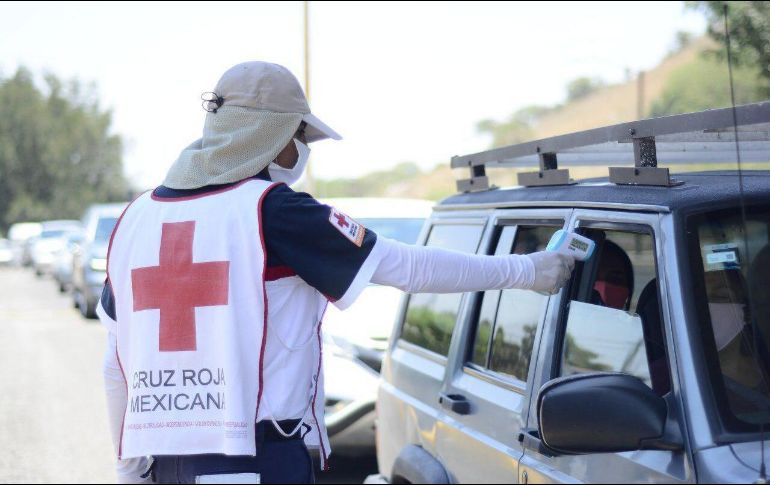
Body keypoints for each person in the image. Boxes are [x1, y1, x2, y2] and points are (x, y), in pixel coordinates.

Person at [97, 61, 575, 484]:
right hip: (257, 460)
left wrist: (128, 468)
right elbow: (407, 266)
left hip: (164, 462)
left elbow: (115, 366)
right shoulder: (273, 212)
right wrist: (527, 269)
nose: (303, 149)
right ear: (271, 136)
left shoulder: (134, 219)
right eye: (300, 135)